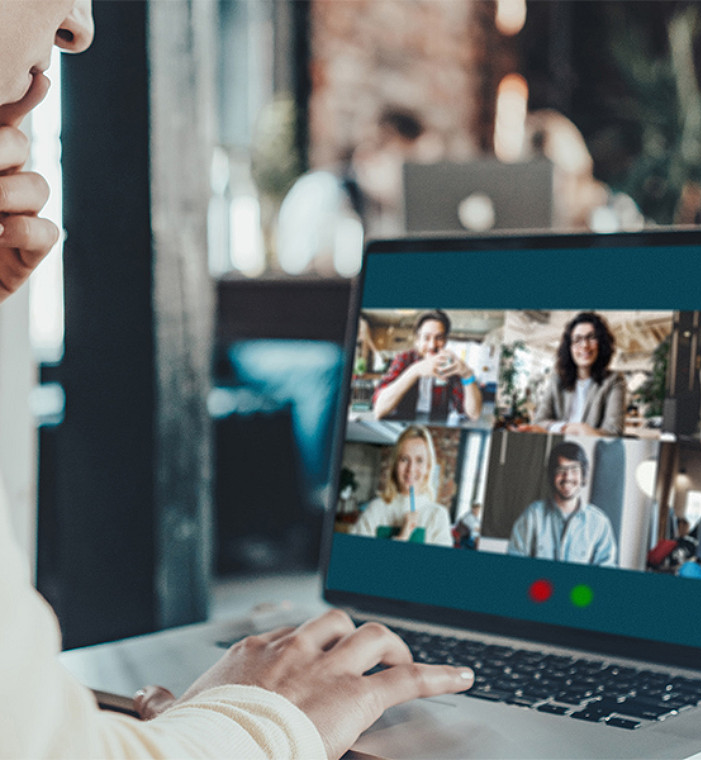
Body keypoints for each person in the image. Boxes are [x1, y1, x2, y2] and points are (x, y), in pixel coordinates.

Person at [0, 3, 472, 758]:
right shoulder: (325, 192)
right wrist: (258, 723)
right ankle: (326, 494)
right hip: (259, 340)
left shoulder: (391, 206)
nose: (81, 24)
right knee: (328, 375)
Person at [508, 441, 617, 566]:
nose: (567, 477)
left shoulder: (599, 523)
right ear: (552, 474)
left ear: (583, 476)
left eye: (574, 470)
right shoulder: (532, 516)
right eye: (561, 470)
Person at [516, 311, 625, 437]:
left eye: (591, 337)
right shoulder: (557, 379)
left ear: (601, 343)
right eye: (577, 339)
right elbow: (539, 423)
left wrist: (554, 429)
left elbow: (614, 432)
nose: (584, 345)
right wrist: (573, 428)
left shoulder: (614, 380)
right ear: (569, 347)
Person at [373, 309, 482, 422]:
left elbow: (473, 414)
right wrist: (415, 371)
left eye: (439, 338)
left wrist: (467, 375)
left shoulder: (448, 365)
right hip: (400, 430)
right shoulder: (405, 359)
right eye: (426, 338)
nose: (432, 345)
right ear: (417, 340)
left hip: (436, 431)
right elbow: (379, 410)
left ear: (445, 341)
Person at [352, 426, 454, 547]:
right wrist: (402, 537)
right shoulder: (375, 509)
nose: (410, 469)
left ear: (428, 467)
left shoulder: (437, 516)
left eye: (419, 460)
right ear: (395, 465)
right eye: (404, 459)